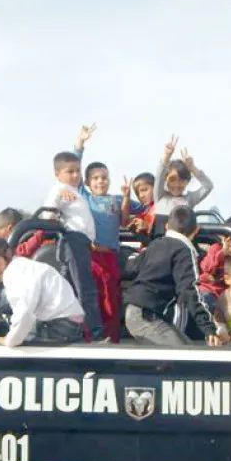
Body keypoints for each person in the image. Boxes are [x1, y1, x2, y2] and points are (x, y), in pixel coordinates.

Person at [71, 124, 136, 342]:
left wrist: (127, 197)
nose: (101, 181)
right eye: (96, 178)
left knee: (111, 300)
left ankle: (112, 340)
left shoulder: (116, 199)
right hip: (91, 257)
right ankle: (91, 340)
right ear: (88, 182)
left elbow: (132, 214)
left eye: (105, 177)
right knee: (91, 299)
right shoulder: (84, 197)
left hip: (111, 257)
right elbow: (74, 166)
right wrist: (80, 142)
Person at [124, 206, 221, 346]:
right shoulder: (185, 250)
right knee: (183, 358)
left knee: (187, 349)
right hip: (146, 316)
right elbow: (188, 291)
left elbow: (132, 267)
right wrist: (208, 327)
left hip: (138, 312)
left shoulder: (156, 244)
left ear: (167, 226)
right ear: (196, 230)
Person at [0, 237, 85, 347]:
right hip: (67, 322)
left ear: (7, 254)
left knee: (19, 353)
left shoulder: (15, 272)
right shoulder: (22, 266)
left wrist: (10, 340)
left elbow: (24, 312)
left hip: (60, 326)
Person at [43, 150, 104, 341]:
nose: (75, 175)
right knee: (85, 288)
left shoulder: (76, 193)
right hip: (73, 241)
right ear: (57, 175)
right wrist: (57, 197)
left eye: (78, 171)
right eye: (70, 172)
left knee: (70, 289)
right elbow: (48, 215)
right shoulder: (59, 191)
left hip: (83, 243)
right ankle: (94, 333)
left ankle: (69, 332)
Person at [153, 135, 214, 216]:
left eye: (181, 180)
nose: (177, 184)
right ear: (165, 180)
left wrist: (192, 168)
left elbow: (208, 186)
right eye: (172, 179)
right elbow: (159, 177)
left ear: (187, 182)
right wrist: (166, 157)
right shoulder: (160, 196)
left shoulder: (189, 199)